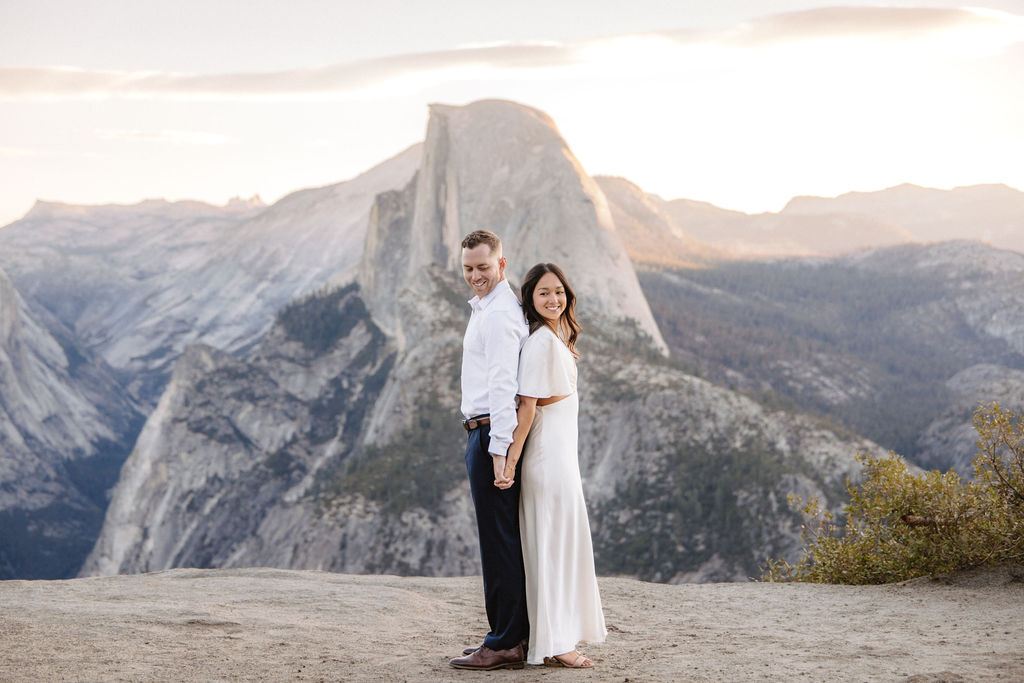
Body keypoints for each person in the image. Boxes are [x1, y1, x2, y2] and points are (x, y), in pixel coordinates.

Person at [499, 262, 607, 668]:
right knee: (552, 549)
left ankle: (553, 636)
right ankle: (557, 643)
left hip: (560, 459)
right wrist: (509, 461)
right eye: (544, 293)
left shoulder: (552, 338)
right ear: (530, 298)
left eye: (559, 292)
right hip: (547, 461)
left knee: (556, 546)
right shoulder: (541, 342)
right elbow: (526, 408)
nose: (553, 299)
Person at [448, 230, 531, 671]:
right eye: (468, 268)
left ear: (502, 263)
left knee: (498, 542)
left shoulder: (498, 314)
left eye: (483, 266)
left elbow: (503, 386)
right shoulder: (486, 306)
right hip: (483, 434)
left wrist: (499, 452)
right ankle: (506, 634)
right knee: (501, 539)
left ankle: (504, 643)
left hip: (490, 436)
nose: (475, 275)